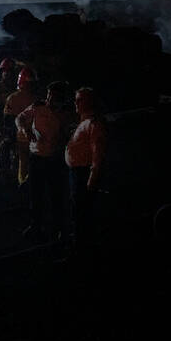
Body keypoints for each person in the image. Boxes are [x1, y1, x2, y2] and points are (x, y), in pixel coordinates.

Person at [16, 81, 73, 241]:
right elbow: (20, 118)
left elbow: (69, 131)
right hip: (37, 157)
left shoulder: (66, 112)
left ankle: (59, 228)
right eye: (48, 95)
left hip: (55, 158)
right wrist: (25, 129)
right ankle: (36, 225)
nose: (49, 99)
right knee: (36, 194)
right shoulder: (38, 107)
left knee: (57, 195)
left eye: (53, 96)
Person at [65, 87, 106, 252]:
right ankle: (81, 244)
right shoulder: (84, 121)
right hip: (77, 173)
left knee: (83, 213)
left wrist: (92, 178)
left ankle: (83, 248)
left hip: (83, 174)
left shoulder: (94, 124)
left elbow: (98, 153)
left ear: (89, 102)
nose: (76, 103)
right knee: (78, 211)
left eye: (80, 99)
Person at [3, 66, 38, 185]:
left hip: (21, 139)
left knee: (22, 166)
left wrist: (11, 140)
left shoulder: (12, 98)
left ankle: (22, 188)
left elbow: (8, 121)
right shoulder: (37, 99)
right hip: (35, 139)